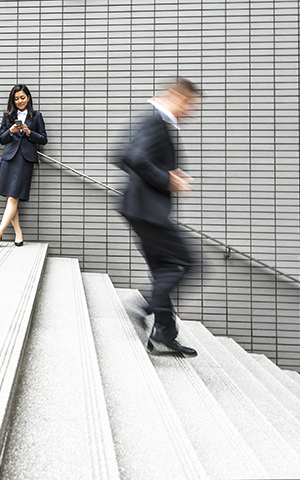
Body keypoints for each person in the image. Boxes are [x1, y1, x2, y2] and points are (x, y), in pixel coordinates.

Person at [119, 78, 201, 357]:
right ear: (179, 98)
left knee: (164, 269)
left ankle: (165, 331)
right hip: (147, 212)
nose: (189, 112)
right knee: (189, 263)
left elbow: (123, 156)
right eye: (190, 105)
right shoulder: (155, 121)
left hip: (141, 210)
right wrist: (168, 180)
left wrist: (166, 175)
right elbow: (132, 157)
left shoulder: (154, 121)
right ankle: (143, 305)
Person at [0, 84, 48, 248]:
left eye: (22, 97)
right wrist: (11, 131)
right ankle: (18, 234)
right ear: (12, 100)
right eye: (16, 99)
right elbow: (1, 139)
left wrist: (29, 132)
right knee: (10, 197)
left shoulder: (36, 116)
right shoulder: (8, 116)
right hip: (9, 158)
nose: (20, 101)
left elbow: (43, 139)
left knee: (13, 197)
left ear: (28, 98)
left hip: (25, 159)